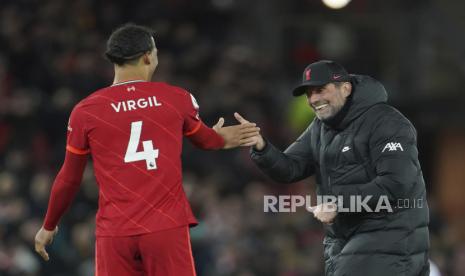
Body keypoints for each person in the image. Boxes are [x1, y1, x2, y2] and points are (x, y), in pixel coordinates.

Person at [34, 23, 260, 276]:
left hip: (115, 233)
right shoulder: (175, 98)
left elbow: (69, 177)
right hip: (165, 228)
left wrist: (49, 224)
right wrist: (222, 137)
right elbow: (206, 141)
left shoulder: (85, 111)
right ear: (147, 56)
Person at [236, 60, 430, 275]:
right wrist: (261, 146)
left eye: (320, 90)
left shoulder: (386, 122)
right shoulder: (320, 127)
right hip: (343, 241)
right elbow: (290, 168)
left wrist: (339, 203)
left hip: (390, 237)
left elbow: (396, 184)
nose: (313, 99)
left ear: (345, 88)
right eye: (309, 94)